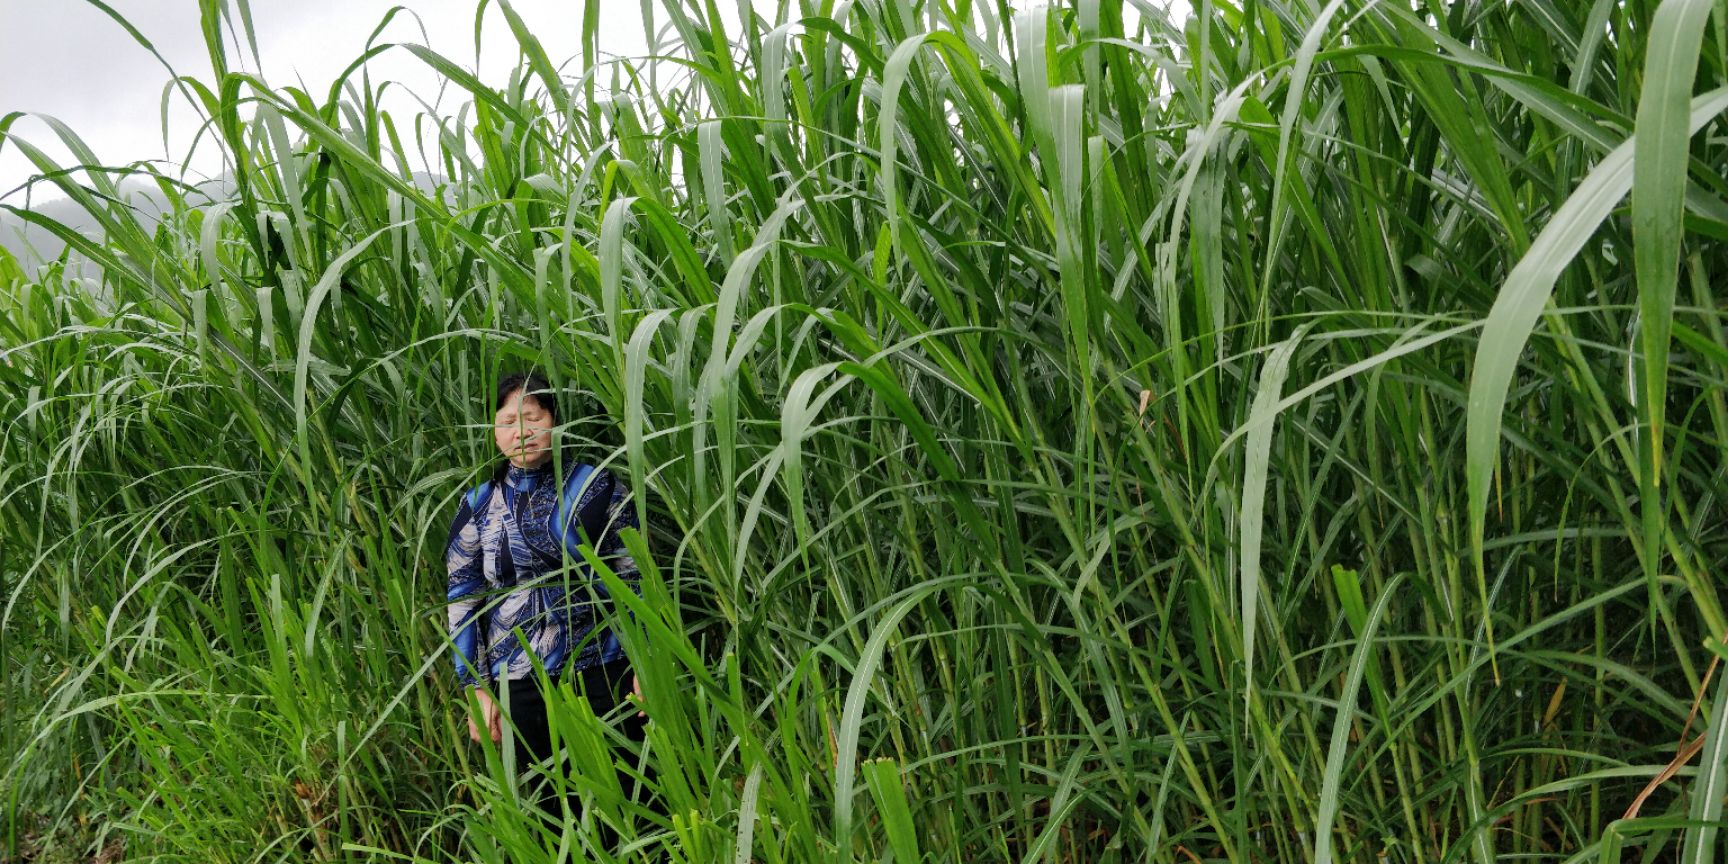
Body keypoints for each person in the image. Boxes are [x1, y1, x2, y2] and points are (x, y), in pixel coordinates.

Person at [444, 370, 651, 848]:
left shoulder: (597, 488)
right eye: (508, 421)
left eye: (532, 418)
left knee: (631, 802)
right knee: (544, 814)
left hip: (605, 670)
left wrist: (645, 664)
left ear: (554, 422)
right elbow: (462, 598)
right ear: (494, 432)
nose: (521, 432)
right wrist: (476, 689)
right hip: (518, 683)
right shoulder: (477, 504)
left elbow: (633, 576)